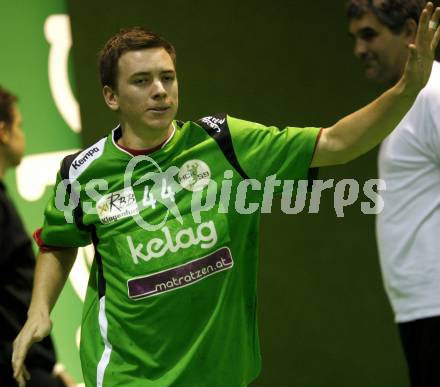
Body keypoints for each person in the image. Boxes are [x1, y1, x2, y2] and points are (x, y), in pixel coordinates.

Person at [12, 4, 440, 386]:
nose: (160, 90)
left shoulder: (223, 143)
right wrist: (40, 309)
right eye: (142, 81)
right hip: (131, 375)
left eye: (167, 77)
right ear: (110, 96)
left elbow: (337, 144)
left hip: (222, 374)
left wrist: (407, 88)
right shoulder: (82, 173)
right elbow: (58, 242)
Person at [347, 1, 440, 386]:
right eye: (354, 38)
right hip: (420, 310)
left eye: (369, 35)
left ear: (410, 32)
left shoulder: (434, 95)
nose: (359, 50)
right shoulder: (407, 103)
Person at [0, 87, 75, 386]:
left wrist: (53, 368)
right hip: (18, 370)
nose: (22, 135)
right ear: (3, 132)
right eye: (19, 125)